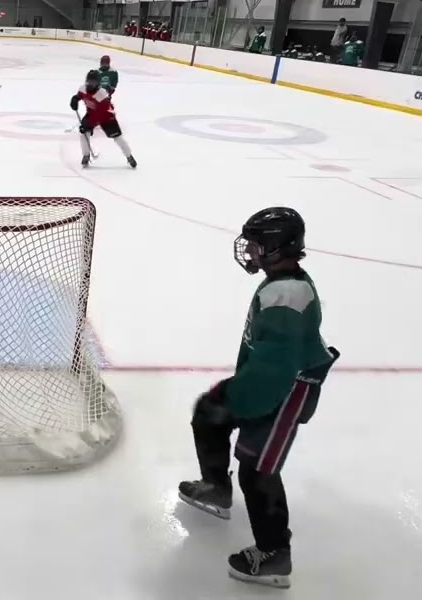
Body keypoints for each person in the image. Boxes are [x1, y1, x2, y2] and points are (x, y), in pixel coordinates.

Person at [177, 207, 338, 589]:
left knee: (257, 468)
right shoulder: (279, 282)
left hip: (287, 390)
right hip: (267, 379)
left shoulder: (287, 296)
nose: (248, 250)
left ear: (277, 246)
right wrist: (230, 397)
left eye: (255, 244)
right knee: (209, 414)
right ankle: (216, 488)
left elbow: (276, 371)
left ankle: (274, 554)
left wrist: (237, 399)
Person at [71, 69, 136, 169]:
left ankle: (129, 156)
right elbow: (80, 95)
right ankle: (86, 155)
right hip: (91, 114)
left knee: (117, 138)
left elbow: (99, 115)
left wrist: (87, 124)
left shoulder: (101, 95)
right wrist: (75, 99)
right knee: (84, 134)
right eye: (88, 81)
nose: (90, 84)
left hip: (107, 117)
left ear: (98, 83)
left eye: (93, 82)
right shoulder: (83, 88)